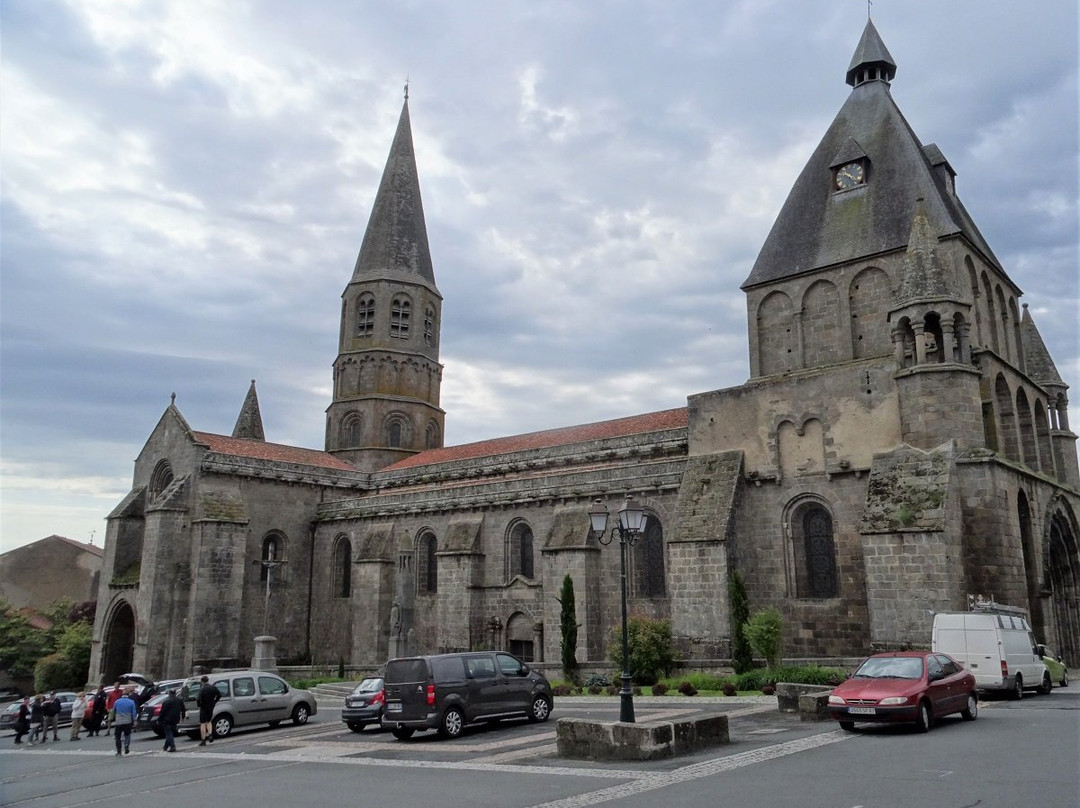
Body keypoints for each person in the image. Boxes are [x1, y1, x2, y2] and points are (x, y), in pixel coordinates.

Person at [157, 688, 186, 752]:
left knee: (169, 733)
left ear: (169, 694)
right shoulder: (179, 700)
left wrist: (159, 720)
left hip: (166, 720)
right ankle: (165, 747)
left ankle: (172, 746)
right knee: (170, 733)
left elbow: (162, 712)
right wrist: (183, 717)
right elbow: (183, 709)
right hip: (175, 719)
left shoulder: (166, 702)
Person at [111, 688, 137, 756]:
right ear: (128, 695)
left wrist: (113, 719)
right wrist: (134, 720)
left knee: (117, 736)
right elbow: (133, 712)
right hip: (127, 721)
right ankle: (126, 746)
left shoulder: (117, 702)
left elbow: (113, 711)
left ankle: (119, 751)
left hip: (119, 721)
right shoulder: (131, 702)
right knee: (127, 735)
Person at [196, 676, 220, 746]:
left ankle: (203, 740)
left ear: (202, 681)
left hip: (203, 707)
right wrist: (214, 701)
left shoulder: (202, 689)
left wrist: (199, 705)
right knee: (209, 721)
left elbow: (198, 699)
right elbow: (219, 695)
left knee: (202, 723)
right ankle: (210, 734)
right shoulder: (213, 687)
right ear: (208, 680)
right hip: (211, 706)